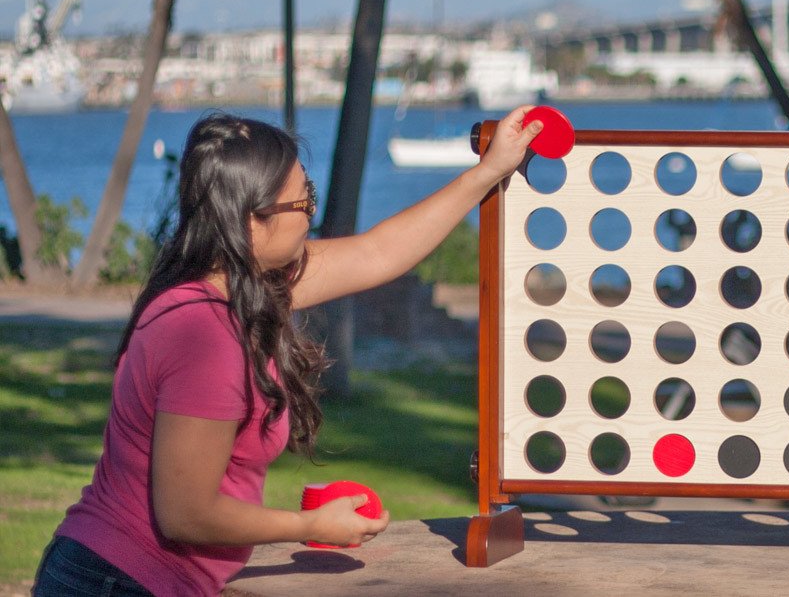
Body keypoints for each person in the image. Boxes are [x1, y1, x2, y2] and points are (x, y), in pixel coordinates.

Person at [33, 107, 541, 596]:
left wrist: (489, 172)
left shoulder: (241, 285)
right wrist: (309, 525)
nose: (311, 215)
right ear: (251, 222)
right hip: (118, 582)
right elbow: (185, 512)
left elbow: (376, 253)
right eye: (303, 203)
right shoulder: (206, 334)